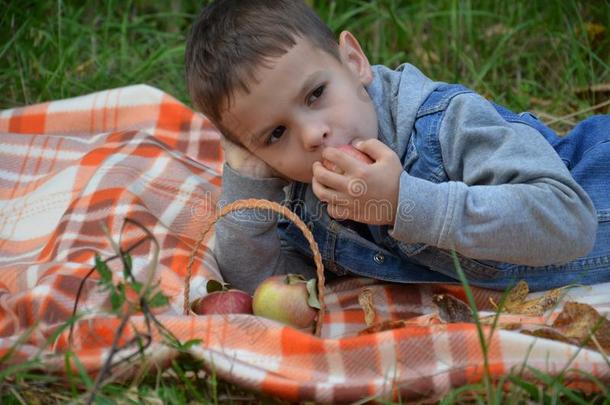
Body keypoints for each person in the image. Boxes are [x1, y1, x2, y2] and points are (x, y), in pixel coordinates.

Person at [185, 0, 610, 294]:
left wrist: (402, 202)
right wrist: (247, 183)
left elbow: (570, 221)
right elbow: (265, 284)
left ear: (353, 62)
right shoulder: (305, 196)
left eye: (315, 94)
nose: (313, 135)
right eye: (275, 134)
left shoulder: (445, 124)